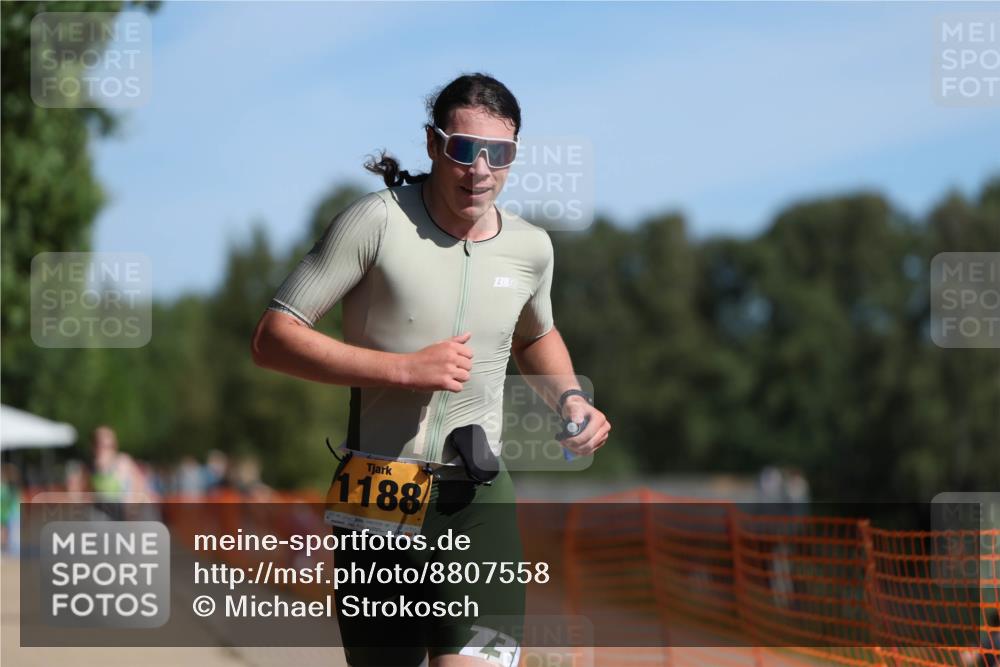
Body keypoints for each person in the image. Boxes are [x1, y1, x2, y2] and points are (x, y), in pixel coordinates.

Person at [251, 72, 610, 667]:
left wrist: (572, 399)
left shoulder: (531, 248)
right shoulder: (375, 222)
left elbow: (535, 335)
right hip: (378, 495)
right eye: (464, 149)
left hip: (478, 497)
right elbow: (273, 338)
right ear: (432, 144)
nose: (480, 170)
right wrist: (402, 370)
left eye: (499, 153)